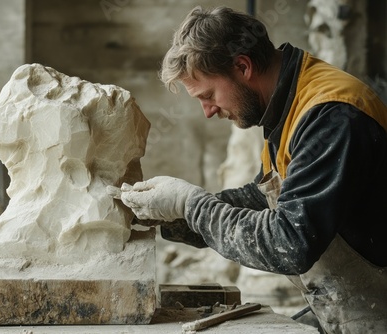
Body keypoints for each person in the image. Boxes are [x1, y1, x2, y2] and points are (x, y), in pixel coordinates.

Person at [109, 6, 387, 334]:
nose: (208, 112)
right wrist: (169, 217)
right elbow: (262, 199)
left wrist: (190, 204)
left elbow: (291, 241)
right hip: (348, 309)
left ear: (243, 66)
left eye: (208, 95)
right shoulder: (288, 101)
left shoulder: (330, 118)